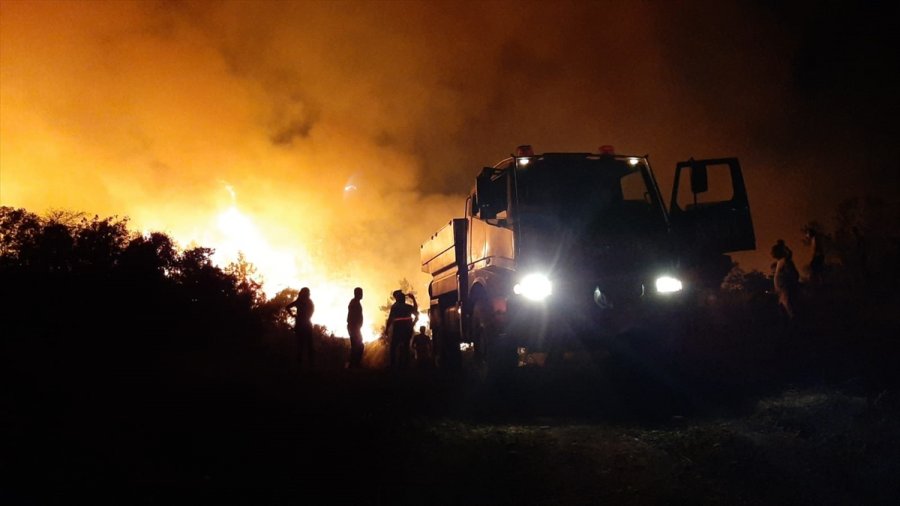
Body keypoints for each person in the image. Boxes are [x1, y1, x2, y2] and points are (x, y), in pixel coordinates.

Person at [385, 289, 417, 370]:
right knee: (406, 347)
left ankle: (393, 365)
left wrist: (387, 329)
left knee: (394, 347)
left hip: (398, 329)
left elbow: (390, 319)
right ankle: (405, 365)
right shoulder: (408, 307)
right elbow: (415, 310)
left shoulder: (395, 307)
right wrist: (413, 299)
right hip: (407, 329)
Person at [286, 287, 315, 368]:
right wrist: (306, 317)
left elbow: (287, 307)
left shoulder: (299, 301)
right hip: (306, 324)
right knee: (307, 345)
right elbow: (312, 311)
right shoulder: (308, 302)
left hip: (300, 324)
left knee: (301, 345)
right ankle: (309, 364)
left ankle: (301, 364)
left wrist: (293, 315)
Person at [771, 240, 799, 320]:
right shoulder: (780, 262)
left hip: (786, 292)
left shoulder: (785, 261)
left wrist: (789, 286)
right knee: (784, 314)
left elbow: (794, 274)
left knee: (791, 313)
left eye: (773, 251)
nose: (771, 253)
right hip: (781, 293)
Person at [347, 287, 365, 369]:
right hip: (354, 327)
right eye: (361, 293)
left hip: (354, 327)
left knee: (356, 346)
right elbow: (353, 316)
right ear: (357, 293)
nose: (362, 295)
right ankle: (354, 364)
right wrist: (357, 325)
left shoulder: (355, 302)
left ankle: (353, 364)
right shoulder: (354, 303)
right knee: (358, 346)